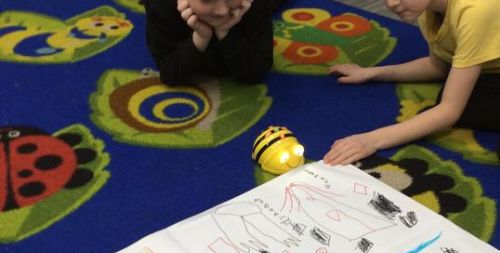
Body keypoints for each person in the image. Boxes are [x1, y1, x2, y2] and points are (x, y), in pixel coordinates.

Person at [323, 0, 500, 166]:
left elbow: (449, 110)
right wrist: (372, 73)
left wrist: (371, 140)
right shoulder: (429, 9)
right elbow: (437, 67)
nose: (392, 3)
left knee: (454, 106)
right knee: (458, 100)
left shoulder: (475, 11)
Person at [143, 0, 282, 86]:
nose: (222, 11)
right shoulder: (161, 5)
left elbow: (258, 70)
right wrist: (200, 37)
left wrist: (225, 32)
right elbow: (170, 74)